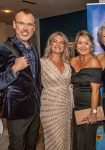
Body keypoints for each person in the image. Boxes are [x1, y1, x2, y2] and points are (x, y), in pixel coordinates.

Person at [0, 8, 41, 150]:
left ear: (34, 28)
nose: (25, 28)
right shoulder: (4, 48)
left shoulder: (33, 47)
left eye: (29, 24)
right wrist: (14, 69)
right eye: (21, 23)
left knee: (31, 145)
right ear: (14, 24)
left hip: (34, 109)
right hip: (17, 111)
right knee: (17, 147)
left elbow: (34, 77)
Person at [40, 32, 73, 150]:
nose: (58, 44)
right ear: (50, 43)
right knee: (54, 141)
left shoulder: (68, 64)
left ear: (65, 46)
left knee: (65, 138)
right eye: (55, 41)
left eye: (61, 42)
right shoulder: (42, 63)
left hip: (66, 106)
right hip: (50, 107)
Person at [71, 30, 102, 150]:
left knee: (87, 142)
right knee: (77, 140)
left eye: (86, 43)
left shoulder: (94, 62)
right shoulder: (73, 61)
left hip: (88, 108)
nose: (83, 46)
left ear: (91, 46)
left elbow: (95, 91)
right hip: (75, 108)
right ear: (75, 45)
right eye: (80, 43)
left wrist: (93, 113)